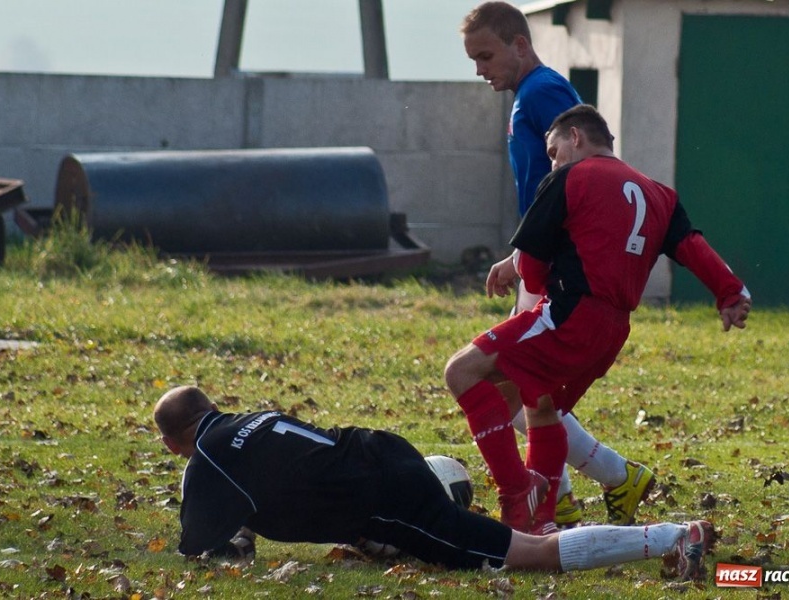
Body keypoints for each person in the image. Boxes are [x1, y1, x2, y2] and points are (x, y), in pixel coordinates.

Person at [444, 104, 751, 535]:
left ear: (576, 137)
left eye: (553, 151)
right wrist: (730, 292)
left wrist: (534, 285)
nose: (552, 161)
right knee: (541, 405)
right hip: (611, 332)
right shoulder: (659, 194)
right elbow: (691, 246)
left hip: (569, 315)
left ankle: (516, 492)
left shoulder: (570, 178)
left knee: (460, 371)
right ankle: (541, 522)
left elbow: (532, 265)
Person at [153, 384, 714, 580]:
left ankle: (671, 537)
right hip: (381, 447)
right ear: (214, 407)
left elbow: (198, 547)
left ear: (172, 441)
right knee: (390, 527)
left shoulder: (206, 464)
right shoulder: (254, 418)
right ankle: (425, 509)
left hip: (384, 497)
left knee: (531, 554)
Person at [461, 0, 654, 529]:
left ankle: (598, 481)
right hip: (542, 258)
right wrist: (519, 253)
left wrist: (536, 253)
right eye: (474, 59)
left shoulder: (542, 91)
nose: (480, 70)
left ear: (519, 45)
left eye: (486, 56)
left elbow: (579, 172)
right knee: (528, 393)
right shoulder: (530, 94)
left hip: (559, 269)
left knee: (516, 389)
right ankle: (568, 491)